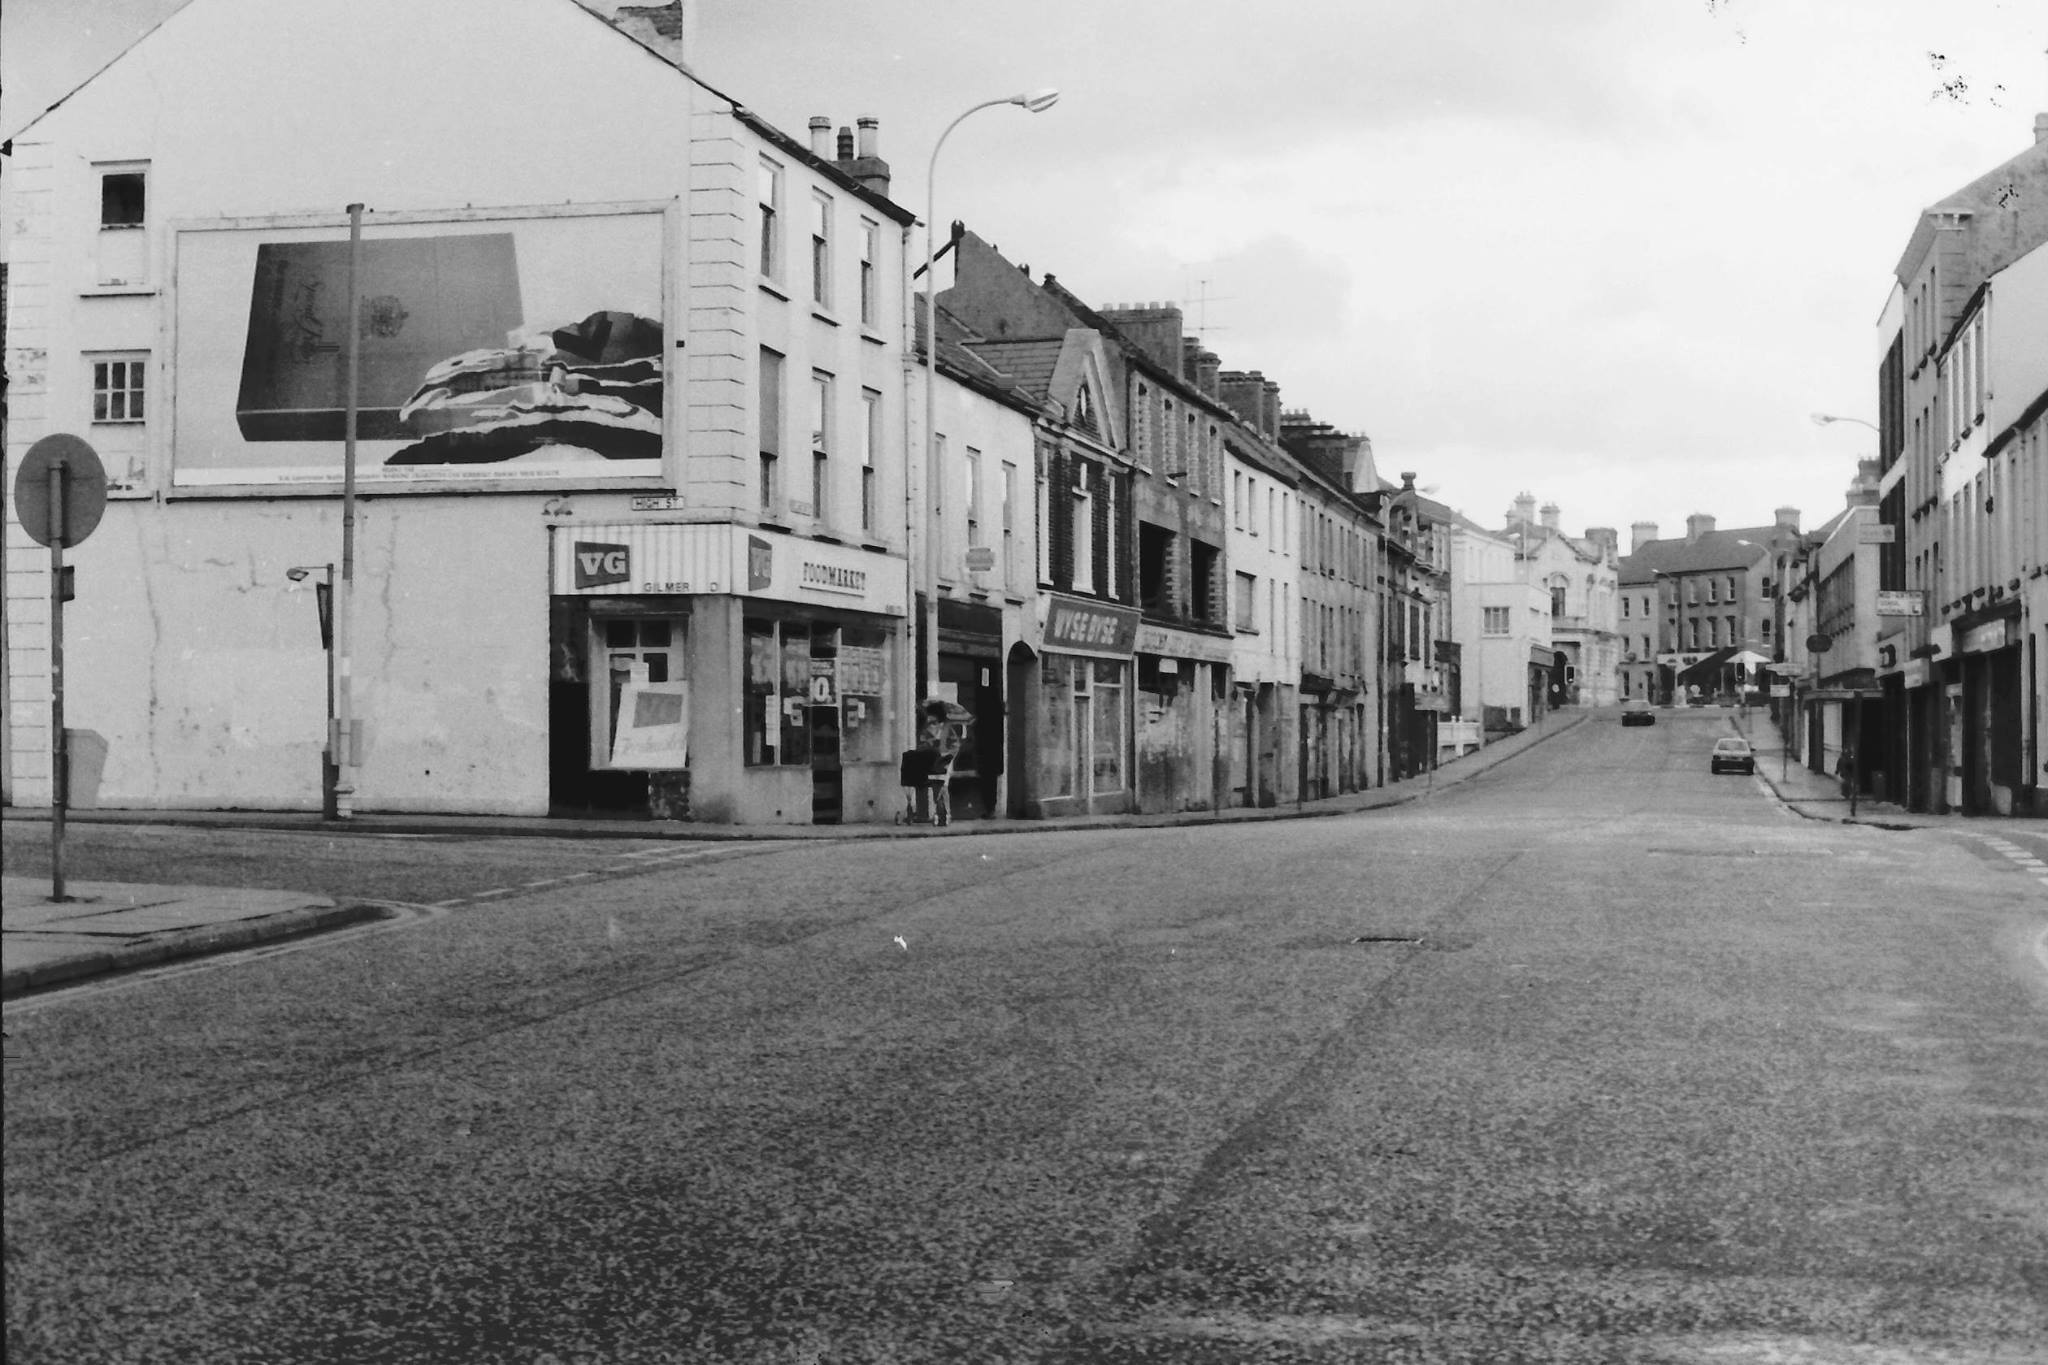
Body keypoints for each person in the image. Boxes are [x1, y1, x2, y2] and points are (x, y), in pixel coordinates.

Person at [917, 700, 962, 826]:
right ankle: (935, 811)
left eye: (931, 715)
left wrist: (949, 756)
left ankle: (946, 811)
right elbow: (923, 744)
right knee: (934, 785)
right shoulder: (926, 730)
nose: (929, 718)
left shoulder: (947, 729)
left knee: (943, 786)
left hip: (945, 760)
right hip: (932, 760)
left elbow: (955, 745)